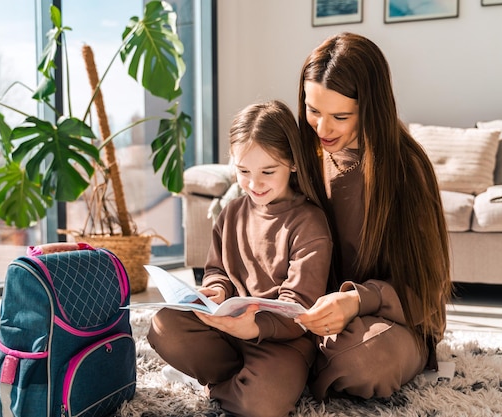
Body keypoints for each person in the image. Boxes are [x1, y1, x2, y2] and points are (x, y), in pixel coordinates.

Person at [147, 100, 334, 417]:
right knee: (162, 324)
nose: (254, 183)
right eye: (243, 171)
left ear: (292, 163)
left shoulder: (309, 224)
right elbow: (217, 269)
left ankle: (218, 384)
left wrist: (252, 327)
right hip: (227, 330)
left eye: (267, 171)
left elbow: (298, 309)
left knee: (262, 404)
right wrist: (216, 290)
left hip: (281, 342)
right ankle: (234, 379)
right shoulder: (232, 211)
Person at [293, 32, 452, 400]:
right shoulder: (304, 157)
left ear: (372, 107)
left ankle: (289, 364)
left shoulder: (406, 169)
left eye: (341, 116)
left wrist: (355, 302)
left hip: (392, 320)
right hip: (313, 315)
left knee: (361, 363)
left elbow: (425, 294)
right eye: (313, 110)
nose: (322, 129)